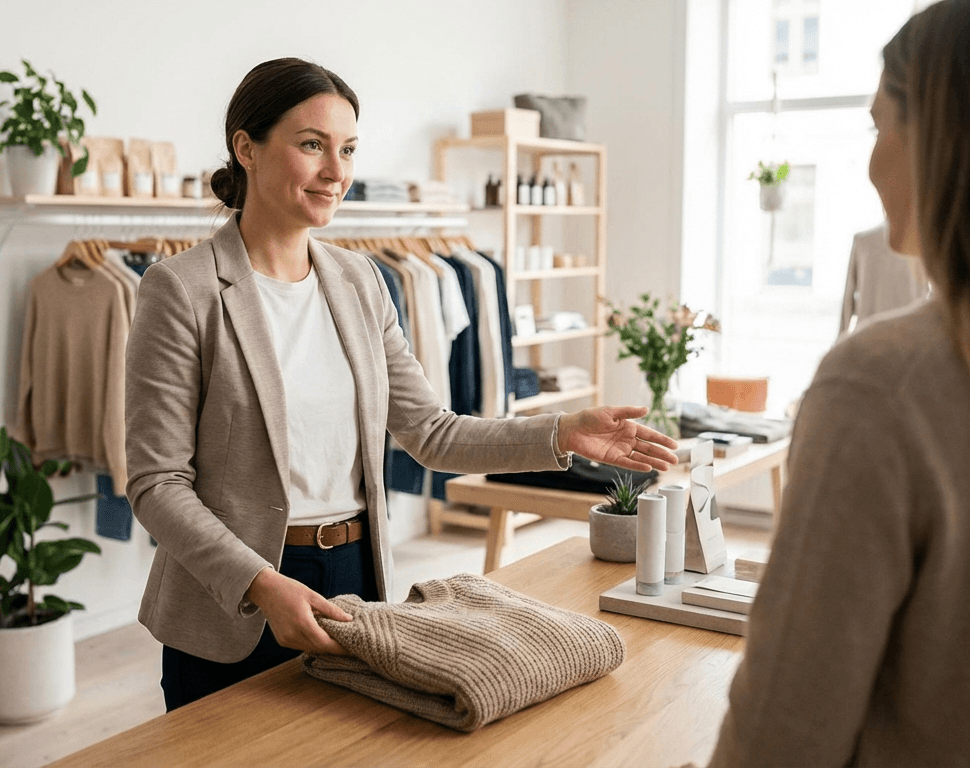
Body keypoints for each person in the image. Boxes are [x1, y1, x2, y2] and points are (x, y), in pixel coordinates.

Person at [124, 58, 679, 712]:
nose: (337, 172)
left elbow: (431, 433)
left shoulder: (360, 284)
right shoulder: (180, 290)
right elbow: (157, 482)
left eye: (349, 149)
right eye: (312, 145)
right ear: (246, 147)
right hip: (234, 601)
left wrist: (562, 434)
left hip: (357, 577)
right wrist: (260, 583)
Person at [707, 1, 970, 765]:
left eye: (879, 125)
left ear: (947, 142)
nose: (870, 162)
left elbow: (779, 738)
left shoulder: (879, 386)